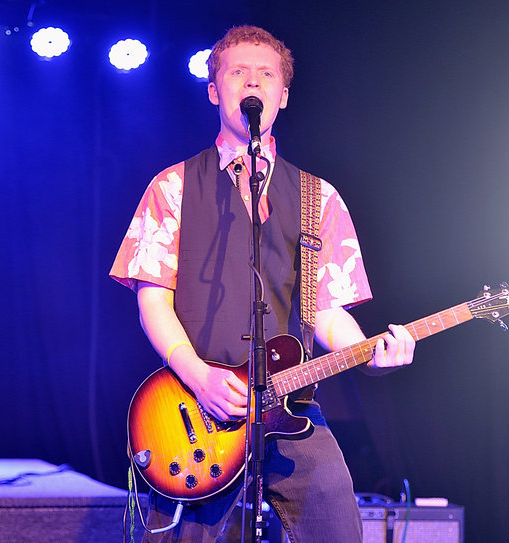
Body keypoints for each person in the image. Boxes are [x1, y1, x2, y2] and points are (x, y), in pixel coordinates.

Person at [110, 26, 416, 542]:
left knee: (339, 532)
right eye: (238, 72)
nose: (253, 82)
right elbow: (152, 299)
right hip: (197, 406)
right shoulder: (173, 185)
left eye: (266, 74)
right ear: (214, 90)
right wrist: (199, 375)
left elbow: (325, 311)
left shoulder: (319, 197)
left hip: (291, 405)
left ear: (283, 95)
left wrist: (370, 352)